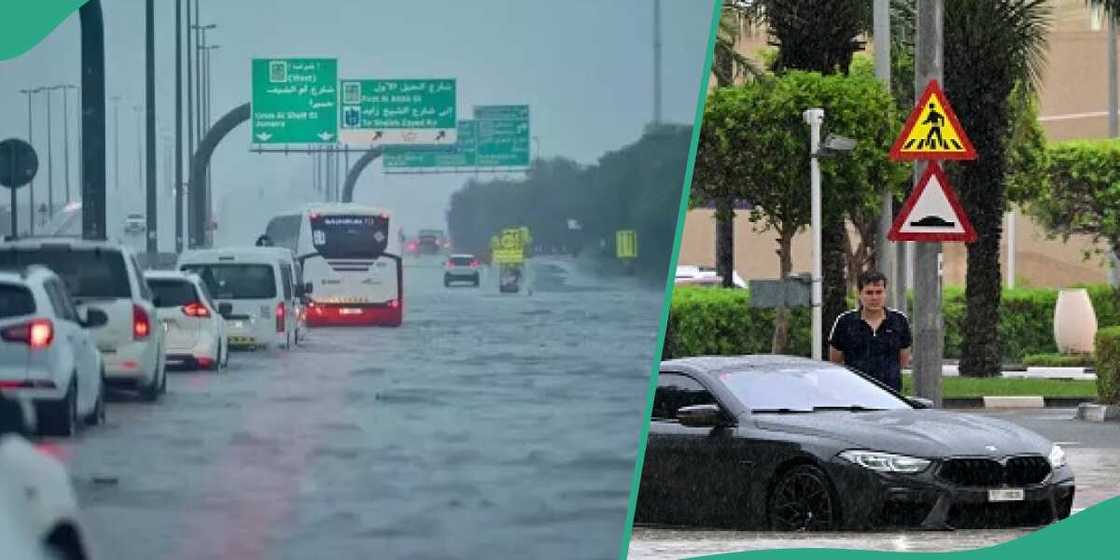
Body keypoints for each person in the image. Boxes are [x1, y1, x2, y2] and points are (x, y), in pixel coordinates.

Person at [828, 270, 912, 392]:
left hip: (890, 394)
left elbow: (903, 360)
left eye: (879, 292)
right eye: (869, 292)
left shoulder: (899, 321)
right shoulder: (844, 322)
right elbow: (835, 361)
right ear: (859, 294)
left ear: (885, 293)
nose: (874, 297)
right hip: (854, 392)